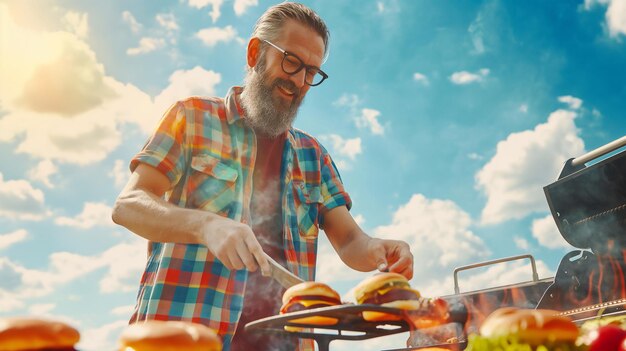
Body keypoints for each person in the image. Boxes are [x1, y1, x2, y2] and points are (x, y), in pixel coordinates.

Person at [111, 2, 414, 350]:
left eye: (311, 72)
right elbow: (128, 205)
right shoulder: (191, 117)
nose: (299, 81)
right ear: (256, 53)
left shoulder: (313, 156)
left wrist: (380, 251)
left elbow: (349, 242)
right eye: (291, 61)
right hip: (184, 339)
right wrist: (205, 226)